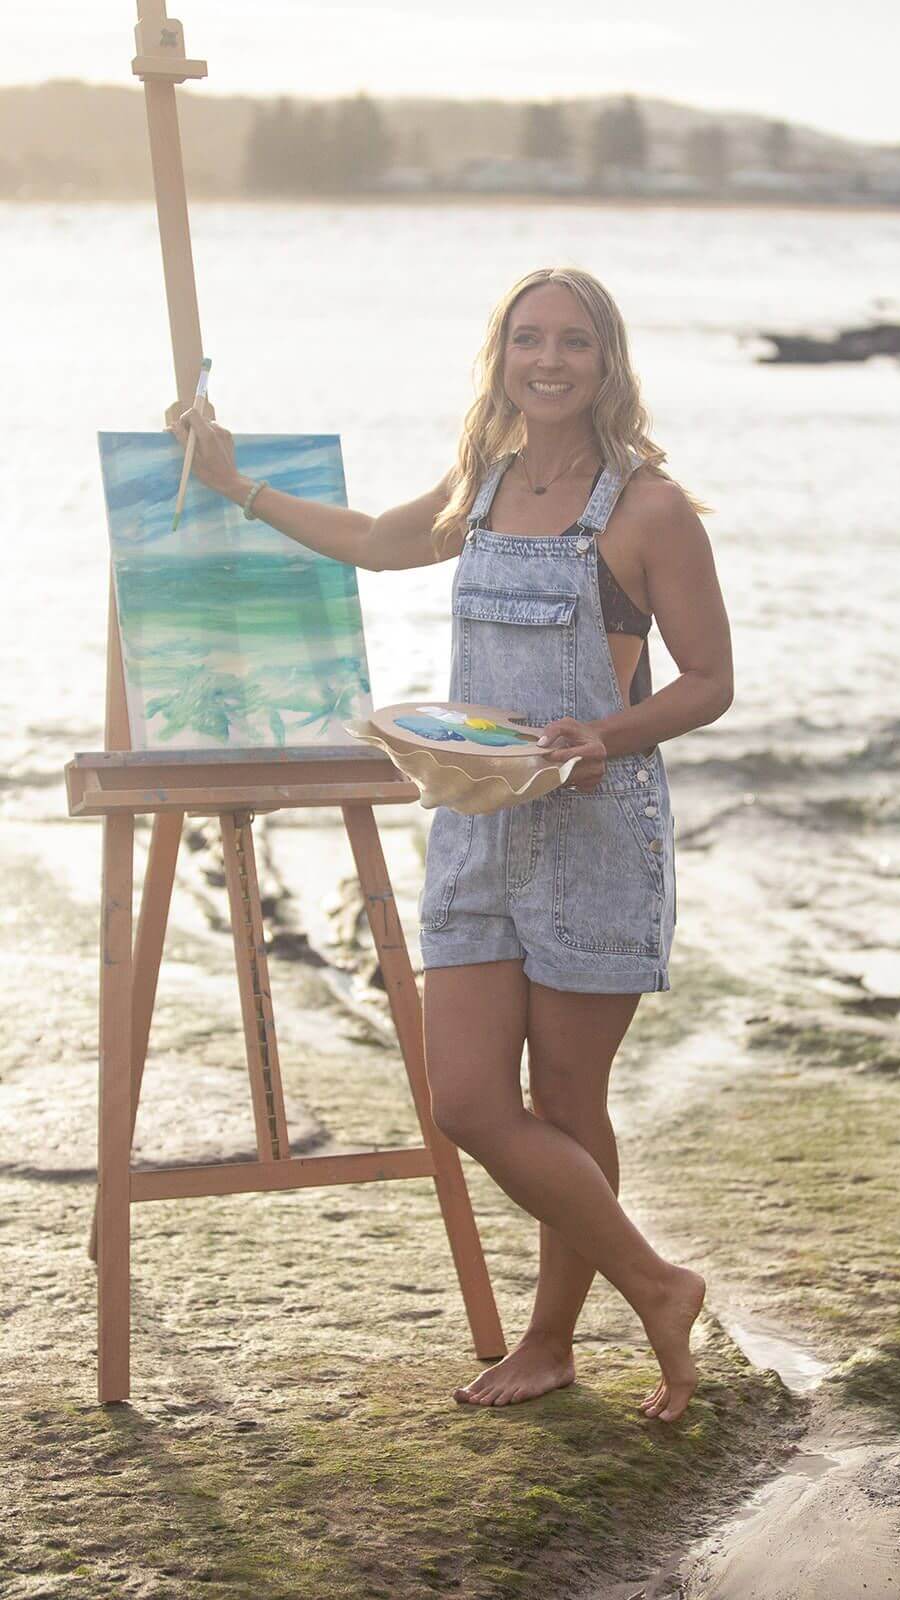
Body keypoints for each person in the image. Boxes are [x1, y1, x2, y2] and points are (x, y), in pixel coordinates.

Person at [172, 265, 733, 1422]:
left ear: (606, 362)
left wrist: (605, 733)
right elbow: (379, 540)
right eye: (526, 338)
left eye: (572, 341)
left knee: (570, 1104)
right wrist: (239, 490)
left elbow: (711, 681)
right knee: (468, 1099)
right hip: (475, 825)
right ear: (500, 356)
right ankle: (657, 1283)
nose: (547, 359)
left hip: (592, 832)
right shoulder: (481, 482)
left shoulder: (647, 509)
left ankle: (551, 1340)